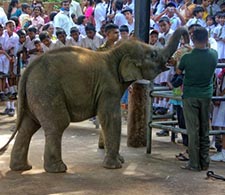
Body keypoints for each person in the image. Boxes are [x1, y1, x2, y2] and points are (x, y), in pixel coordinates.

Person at [177, 27, 218, 171]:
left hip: (190, 95)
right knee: (204, 129)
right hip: (206, 95)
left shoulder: (187, 57)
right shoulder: (214, 54)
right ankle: (204, 161)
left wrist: (187, 50)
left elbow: (178, 70)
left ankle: (194, 163)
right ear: (207, 39)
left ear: (193, 40)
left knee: (193, 130)